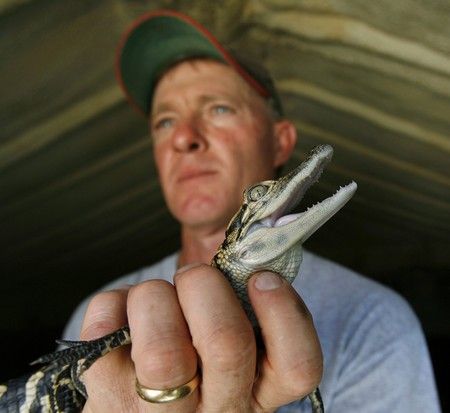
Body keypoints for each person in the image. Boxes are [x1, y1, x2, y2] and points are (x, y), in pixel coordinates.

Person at [62, 10, 441, 412]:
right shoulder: (99, 317)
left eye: (219, 109)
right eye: (165, 121)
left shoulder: (373, 318)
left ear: (280, 142)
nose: (185, 138)